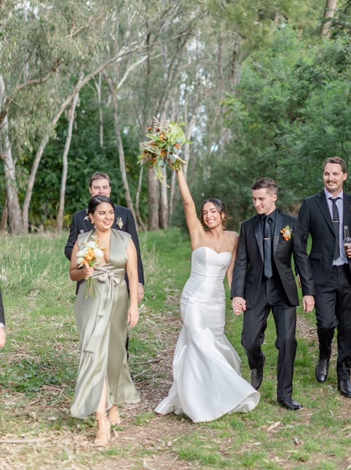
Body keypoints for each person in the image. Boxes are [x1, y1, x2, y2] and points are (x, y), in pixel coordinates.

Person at [155, 170, 260, 423]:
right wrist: (179, 170)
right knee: (199, 341)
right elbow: (188, 203)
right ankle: (202, 400)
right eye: (205, 213)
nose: (208, 215)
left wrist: (237, 297)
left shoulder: (234, 238)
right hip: (193, 299)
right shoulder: (197, 235)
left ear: (223, 215)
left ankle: (208, 391)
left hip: (215, 301)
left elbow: (233, 273)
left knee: (210, 342)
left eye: (213, 211)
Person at [231, 178, 315, 411]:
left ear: (273, 197)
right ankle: (257, 363)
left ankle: (284, 395)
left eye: (261, 199)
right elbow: (241, 262)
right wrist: (237, 294)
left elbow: (301, 258)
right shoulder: (247, 226)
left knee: (287, 342)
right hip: (256, 289)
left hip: (283, 290)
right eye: (254, 199)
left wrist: (308, 291)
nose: (256, 203)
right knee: (249, 340)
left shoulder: (290, 223)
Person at [294, 157, 351, 398]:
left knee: (347, 328)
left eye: (335, 174)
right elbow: (299, 242)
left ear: (344, 176)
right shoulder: (310, 204)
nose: (330, 178)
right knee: (326, 323)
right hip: (322, 275)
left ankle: (344, 375)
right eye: (327, 174)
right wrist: (303, 274)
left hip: (349, 274)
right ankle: (324, 353)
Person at [69, 195, 140, 445]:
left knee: (114, 352)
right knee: (93, 352)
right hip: (91, 300)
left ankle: (114, 404)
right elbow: (72, 273)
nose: (107, 217)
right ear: (91, 216)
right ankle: (101, 420)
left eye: (110, 212)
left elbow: (132, 273)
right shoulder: (82, 240)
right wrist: (84, 271)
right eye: (101, 213)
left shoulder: (126, 239)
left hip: (118, 299)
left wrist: (134, 306)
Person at [65, 172, 144, 302]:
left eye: (105, 187)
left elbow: (135, 252)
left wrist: (139, 282)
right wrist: (86, 257)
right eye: (96, 187)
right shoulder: (79, 217)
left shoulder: (125, 214)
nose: (101, 191)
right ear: (90, 190)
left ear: (110, 189)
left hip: (118, 282)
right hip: (89, 281)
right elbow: (69, 248)